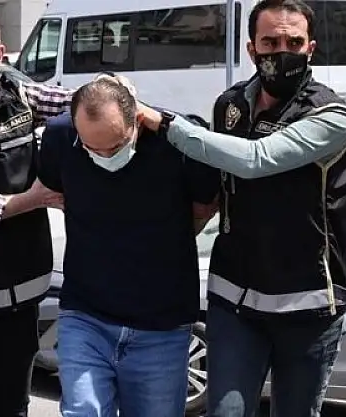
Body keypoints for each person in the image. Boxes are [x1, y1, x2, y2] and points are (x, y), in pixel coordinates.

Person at [0, 4, 157, 416]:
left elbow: (85, 105)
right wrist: (33, 199)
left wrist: (116, 94)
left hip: (15, 299)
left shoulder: (20, 96)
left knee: (10, 409)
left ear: (0, 53)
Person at [154, 0, 346, 415]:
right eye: (270, 42)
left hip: (307, 308)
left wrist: (163, 124)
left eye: (293, 42)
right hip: (234, 301)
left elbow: (256, 159)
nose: (282, 52)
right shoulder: (229, 106)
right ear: (252, 49)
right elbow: (212, 195)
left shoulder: (332, 115)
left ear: (310, 48)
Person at [38, 77, 219, 417]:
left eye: (116, 146)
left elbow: (205, 206)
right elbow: (55, 191)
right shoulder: (60, 137)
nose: (104, 156)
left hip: (161, 326)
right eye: (92, 149)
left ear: (138, 119)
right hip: (86, 316)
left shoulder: (178, 141)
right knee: (83, 411)